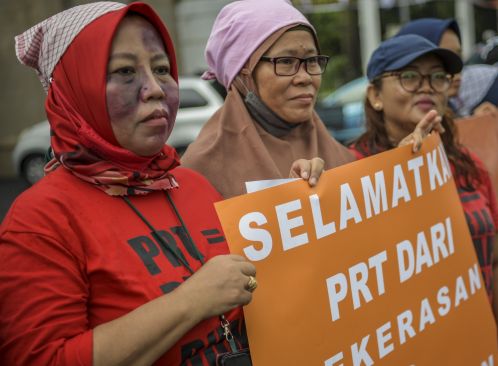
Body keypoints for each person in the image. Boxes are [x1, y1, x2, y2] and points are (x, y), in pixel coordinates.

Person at [0, 2, 324, 364]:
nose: (154, 88)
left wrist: (300, 210)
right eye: (124, 71)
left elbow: (264, 298)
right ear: (74, 91)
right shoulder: (39, 221)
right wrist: (191, 300)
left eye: (162, 69)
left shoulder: (193, 185)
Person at [350, 34, 498, 366]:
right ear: (375, 95)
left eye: (437, 77)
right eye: (409, 76)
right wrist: (398, 173)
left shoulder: (469, 166)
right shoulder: (348, 172)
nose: (427, 87)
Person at [181, 0, 354, 198]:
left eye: (312, 60)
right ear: (243, 73)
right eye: (286, 62)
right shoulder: (201, 170)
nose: (305, 78)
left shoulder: (342, 156)